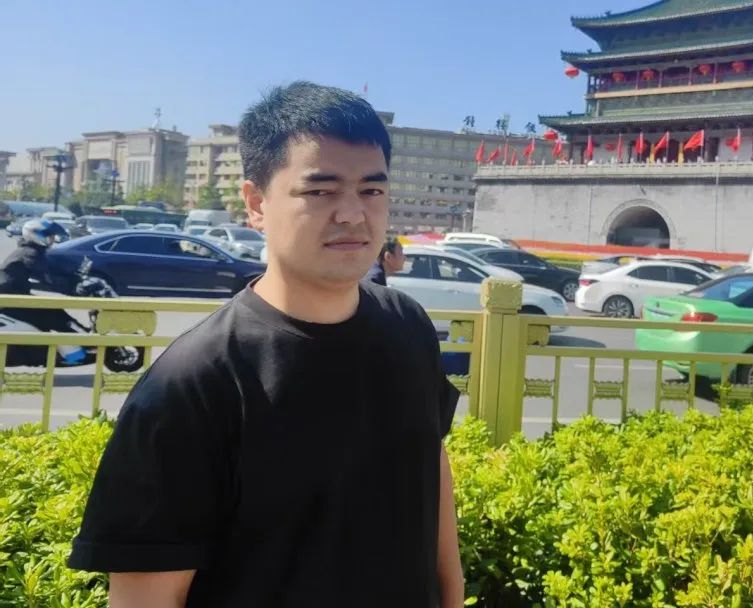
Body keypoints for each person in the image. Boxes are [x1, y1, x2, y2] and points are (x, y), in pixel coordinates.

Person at [68, 81, 465, 607]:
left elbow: (430, 465)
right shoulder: (194, 383)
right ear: (256, 204)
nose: (353, 213)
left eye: (372, 190)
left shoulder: (408, 326)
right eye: (320, 191)